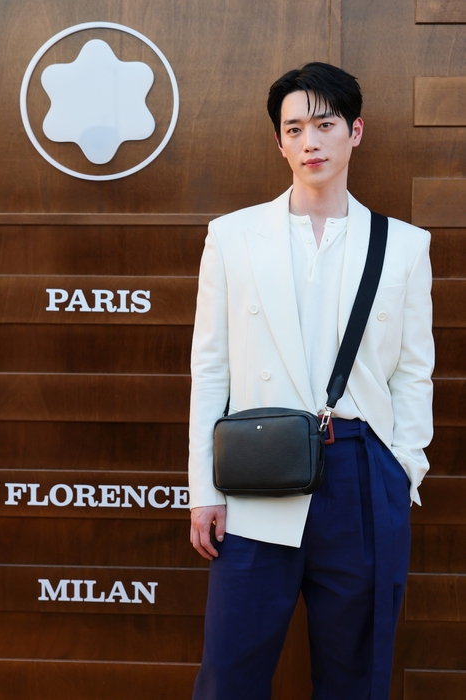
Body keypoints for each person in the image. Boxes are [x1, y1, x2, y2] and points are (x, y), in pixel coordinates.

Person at [188, 62, 434, 700]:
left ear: (356, 131)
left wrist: (404, 469)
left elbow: (413, 369)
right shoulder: (232, 237)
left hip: (363, 472)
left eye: (325, 125)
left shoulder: (404, 245)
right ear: (279, 142)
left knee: (357, 675)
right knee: (229, 674)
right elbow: (210, 368)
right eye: (294, 129)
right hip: (257, 470)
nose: (310, 142)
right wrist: (204, 489)